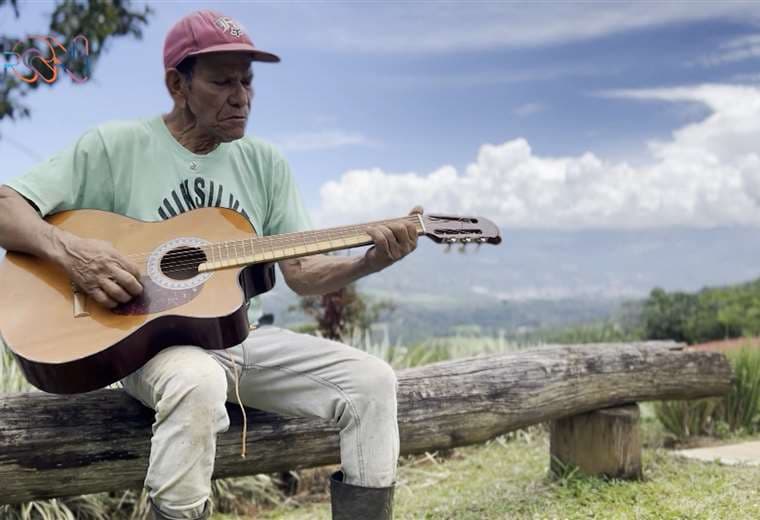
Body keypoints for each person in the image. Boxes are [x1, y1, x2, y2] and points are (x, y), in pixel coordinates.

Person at [0, 10, 420, 520]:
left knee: (373, 381)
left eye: (247, 81)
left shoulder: (266, 164)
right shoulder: (113, 147)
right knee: (198, 381)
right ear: (177, 84)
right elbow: (6, 206)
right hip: (140, 344)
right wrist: (74, 255)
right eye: (222, 82)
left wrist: (371, 259)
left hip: (240, 339)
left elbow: (305, 274)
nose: (241, 97)